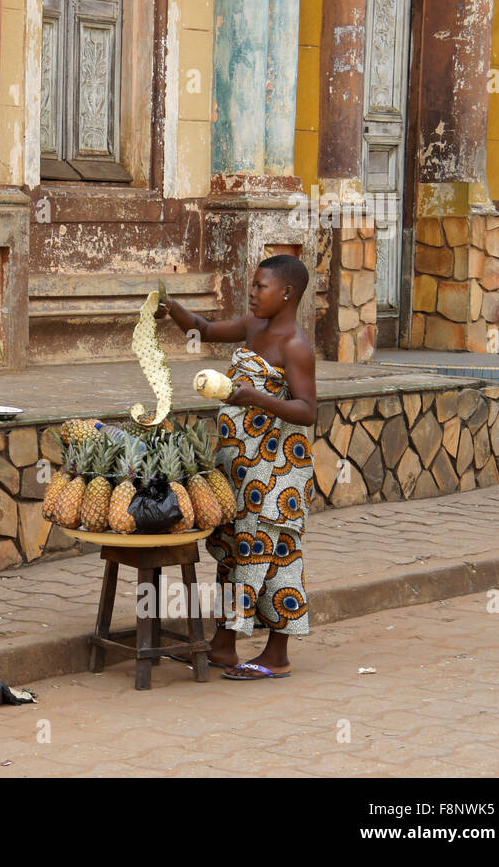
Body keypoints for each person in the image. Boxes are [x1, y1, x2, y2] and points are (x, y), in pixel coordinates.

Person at [155, 254, 315, 679]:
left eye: (262, 286)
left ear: (287, 294)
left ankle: (276, 656)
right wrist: (171, 308)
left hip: (277, 468)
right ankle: (224, 645)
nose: (253, 292)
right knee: (232, 551)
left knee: (274, 556)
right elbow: (204, 330)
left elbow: (307, 410)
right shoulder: (251, 327)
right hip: (239, 466)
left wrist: (256, 398)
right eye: (254, 284)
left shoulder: (295, 346)